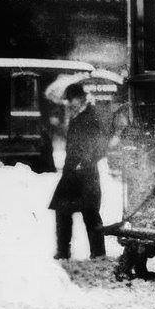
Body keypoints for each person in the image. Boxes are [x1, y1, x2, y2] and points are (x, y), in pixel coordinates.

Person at [50, 82, 110, 260]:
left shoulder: (91, 116)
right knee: (62, 211)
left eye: (71, 100)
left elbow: (101, 146)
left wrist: (86, 162)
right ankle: (63, 250)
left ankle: (98, 253)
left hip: (86, 174)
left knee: (90, 213)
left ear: (80, 98)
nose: (69, 104)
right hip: (72, 174)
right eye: (68, 101)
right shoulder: (77, 116)